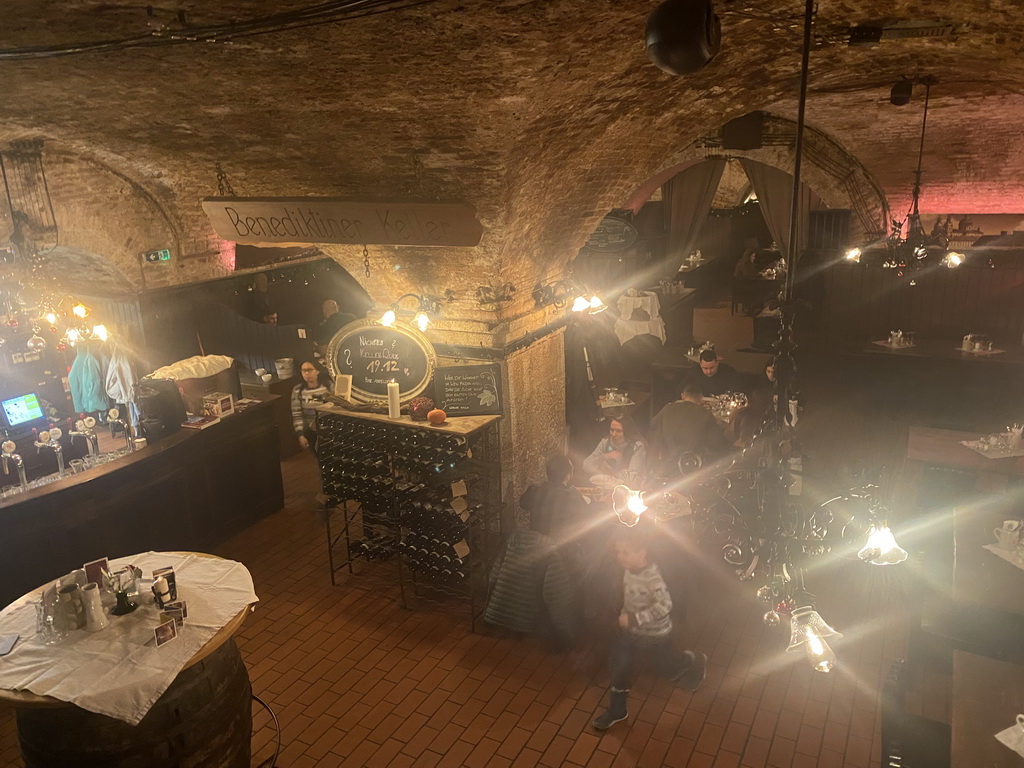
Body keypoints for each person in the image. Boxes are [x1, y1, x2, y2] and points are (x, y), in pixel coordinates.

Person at [593, 526, 706, 730]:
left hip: (656, 635)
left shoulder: (654, 578)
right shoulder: (629, 570)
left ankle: (693, 660)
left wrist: (635, 618)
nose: (620, 556)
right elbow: (631, 596)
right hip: (632, 633)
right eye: (618, 551)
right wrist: (624, 614)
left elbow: (665, 605)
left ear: (642, 552)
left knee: (666, 668)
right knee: (621, 668)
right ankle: (618, 710)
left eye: (626, 552)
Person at [649, 384, 728, 476]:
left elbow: (653, 426)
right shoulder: (706, 414)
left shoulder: (667, 408)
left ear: (683, 396)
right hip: (693, 465)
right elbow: (716, 442)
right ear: (701, 398)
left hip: (665, 463)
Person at [519, 455, 591, 545]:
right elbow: (587, 515)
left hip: (536, 545)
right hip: (559, 549)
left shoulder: (534, 490)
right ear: (568, 475)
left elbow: (523, 504)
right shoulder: (571, 495)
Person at [583, 417, 647, 480]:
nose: (614, 434)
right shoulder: (605, 442)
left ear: (627, 431)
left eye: (618, 431)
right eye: (612, 430)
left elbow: (632, 477)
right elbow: (586, 466)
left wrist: (609, 471)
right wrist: (604, 457)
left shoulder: (637, 446)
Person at [291, 360, 332, 452]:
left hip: (329, 429)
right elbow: (296, 414)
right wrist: (300, 435)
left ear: (317, 371)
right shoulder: (298, 390)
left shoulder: (329, 386)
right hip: (311, 431)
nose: (306, 373)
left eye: (309, 370)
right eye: (303, 370)